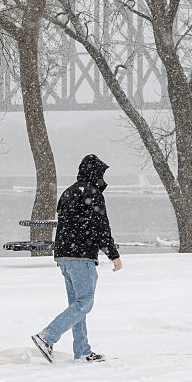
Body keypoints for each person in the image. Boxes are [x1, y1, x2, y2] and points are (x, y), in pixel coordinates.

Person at [32, 154, 122, 363]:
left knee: (77, 305)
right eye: (100, 173)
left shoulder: (68, 192)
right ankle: (47, 337)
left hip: (64, 255)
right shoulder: (92, 193)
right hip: (81, 256)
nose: (102, 177)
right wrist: (113, 254)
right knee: (85, 303)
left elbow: (67, 224)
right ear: (94, 173)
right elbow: (100, 227)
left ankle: (82, 351)